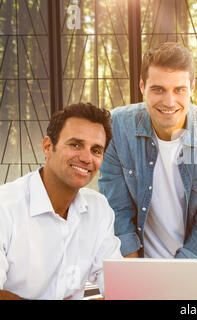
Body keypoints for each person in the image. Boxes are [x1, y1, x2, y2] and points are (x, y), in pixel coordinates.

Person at [98, 42, 197, 259]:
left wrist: (177, 280)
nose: (169, 101)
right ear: (142, 86)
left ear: (191, 88)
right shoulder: (116, 126)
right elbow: (117, 209)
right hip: (141, 263)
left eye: (179, 90)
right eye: (158, 89)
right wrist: (137, 275)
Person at [0, 103, 122, 300]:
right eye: (75, 144)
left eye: (96, 150)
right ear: (48, 147)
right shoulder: (5, 207)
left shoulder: (99, 209)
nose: (86, 157)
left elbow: (116, 285)